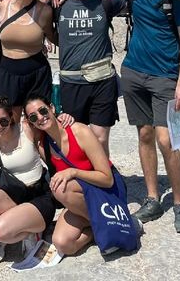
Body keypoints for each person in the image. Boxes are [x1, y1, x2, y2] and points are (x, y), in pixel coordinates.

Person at [112, 0, 180, 233]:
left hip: (165, 76)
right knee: (144, 134)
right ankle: (151, 198)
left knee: (167, 139)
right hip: (134, 73)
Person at [24, 94, 120, 262]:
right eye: (33, 117)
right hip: (82, 198)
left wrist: (73, 172)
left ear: (52, 108)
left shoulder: (79, 131)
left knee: (60, 188)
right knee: (62, 243)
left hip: (106, 191)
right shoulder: (43, 146)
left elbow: (107, 179)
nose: (40, 117)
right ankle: (98, 227)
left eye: (43, 110)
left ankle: (116, 223)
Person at [53, 0, 126, 156]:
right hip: (71, 82)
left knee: (100, 137)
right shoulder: (57, 5)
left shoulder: (107, 2)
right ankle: (84, 183)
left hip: (102, 80)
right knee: (76, 137)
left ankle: (106, 182)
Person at [0, 96, 55, 264]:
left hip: (38, 196)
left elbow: (50, 126)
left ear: (11, 117)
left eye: (3, 121)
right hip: (14, 194)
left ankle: (31, 231)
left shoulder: (27, 130)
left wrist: (66, 117)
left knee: (1, 229)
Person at [0, 0, 55, 113]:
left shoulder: (45, 11)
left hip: (36, 72)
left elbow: (54, 37)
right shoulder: (2, 5)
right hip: (7, 72)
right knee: (10, 120)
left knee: (37, 121)